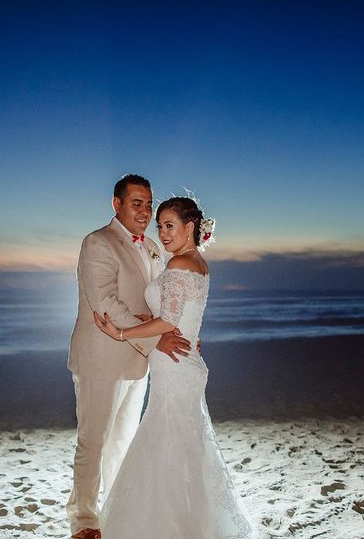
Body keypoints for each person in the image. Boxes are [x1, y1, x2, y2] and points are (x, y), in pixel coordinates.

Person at [93, 196, 258, 539]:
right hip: (184, 362)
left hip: (174, 365)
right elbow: (180, 317)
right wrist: (149, 321)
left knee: (168, 441)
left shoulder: (179, 265)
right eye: (160, 226)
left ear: (190, 227)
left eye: (170, 226)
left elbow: (169, 321)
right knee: (183, 442)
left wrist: (121, 332)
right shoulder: (197, 263)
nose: (163, 233)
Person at [66, 175, 193, 539]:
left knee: (123, 442)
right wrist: (157, 340)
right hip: (102, 357)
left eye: (148, 204)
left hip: (137, 361)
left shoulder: (153, 247)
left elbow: (160, 301)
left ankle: (115, 511)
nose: (144, 210)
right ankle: (84, 521)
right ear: (116, 204)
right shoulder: (98, 242)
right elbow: (105, 304)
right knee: (94, 440)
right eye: (136, 202)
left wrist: (177, 332)